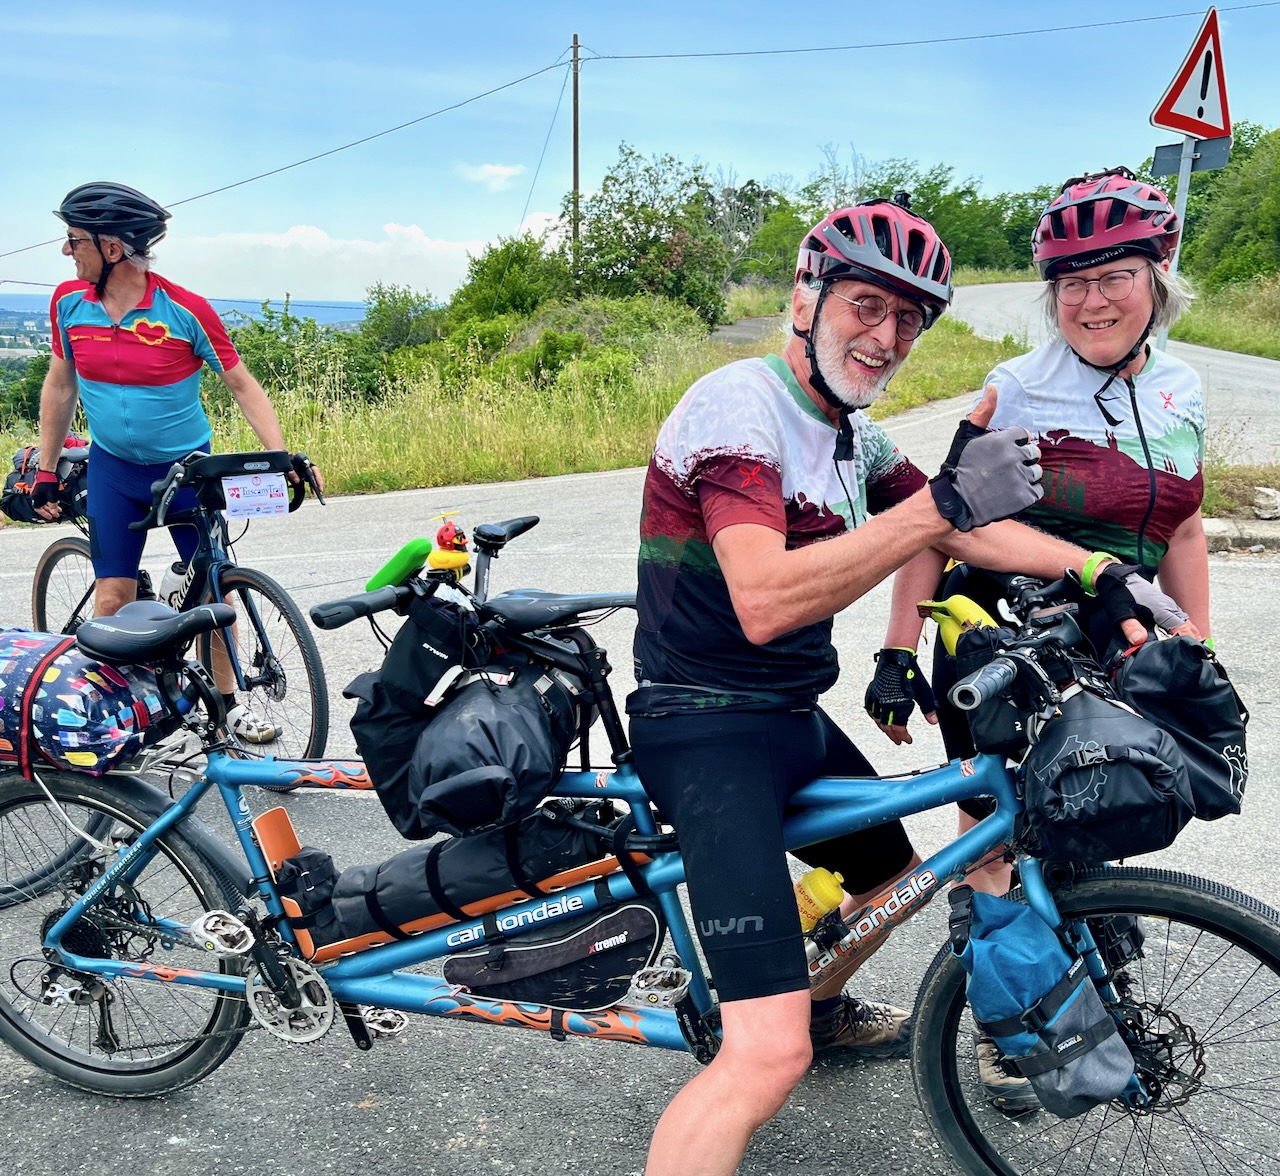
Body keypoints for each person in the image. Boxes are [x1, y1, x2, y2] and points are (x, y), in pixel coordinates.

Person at [625, 197, 1162, 1176]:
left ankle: (811, 1002)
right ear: (805, 300)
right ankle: (771, 1033)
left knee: (887, 881)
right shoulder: (739, 407)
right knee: (763, 1058)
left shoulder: (851, 436)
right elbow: (763, 599)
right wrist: (935, 512)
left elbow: (961, 526)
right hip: (703, 728)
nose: (885, 336)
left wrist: (1096, 572)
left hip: (784, 719)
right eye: (865, 306)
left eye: (907, 320)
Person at [869, 166, 1207, 1110]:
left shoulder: (1181, 389)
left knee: (1091, 818)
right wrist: (897, 652)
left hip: (1113, 640)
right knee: (997, 837)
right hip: (1001, 641)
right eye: (1071, 283)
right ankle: (1003, 1026)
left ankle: (1088, 994)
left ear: (1158, 276)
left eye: (1113, 277)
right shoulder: (1016, 389)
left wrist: (1198, 642)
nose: (1092, 302)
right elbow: (938, 522)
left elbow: (1183, 525)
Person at [31, 181, 320, 744]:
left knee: (215, 594)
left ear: (112, 247)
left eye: (75, 239)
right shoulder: (68, 302)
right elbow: (60, 385)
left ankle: (228, 705)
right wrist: (46, 468)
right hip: (114, 470)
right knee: (113, 598)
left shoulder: (185, 309)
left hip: (184, 471)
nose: (67, 250)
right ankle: (112, 713)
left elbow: (241, 383)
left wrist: (279, 454)